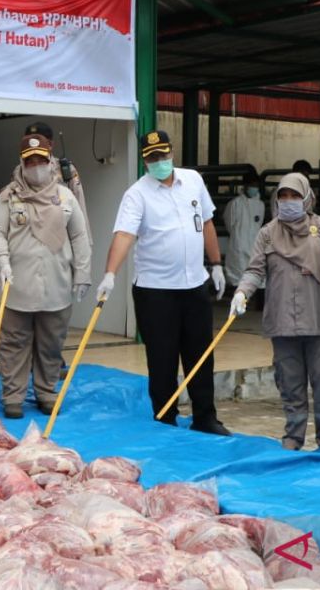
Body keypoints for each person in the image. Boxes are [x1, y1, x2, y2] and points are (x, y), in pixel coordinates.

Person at [96, 130, 230, 435]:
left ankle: (205, 417)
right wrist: (110, 273)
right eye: (153, 157)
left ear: (172, 153)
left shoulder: (193, 180)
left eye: (163, 155)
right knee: (162, 358)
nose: (160, 162)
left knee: (200, 354)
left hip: (194, 285)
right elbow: (124, 235)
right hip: (156, 291)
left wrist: (217, 264)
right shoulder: (137, 194)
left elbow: (206, 222)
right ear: (145, 160)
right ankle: (165, 417)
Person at [231, 172, 320, 449]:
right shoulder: (268, 233)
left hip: (319, 321)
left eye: (294, 196)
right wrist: (241, 292)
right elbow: (254, 270)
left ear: (307, 197)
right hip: (282, 322)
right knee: (290, 383)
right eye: (283, 196)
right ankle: (294, 436)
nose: (288, 201)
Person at [0, 134, 91, 418]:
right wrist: (2, 262)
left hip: (56, 287)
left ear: (50, 161)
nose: (35, 166)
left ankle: (46, 393)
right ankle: (13, 397)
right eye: (29, 161)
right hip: (16, 287)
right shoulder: (8, 196)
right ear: (21, 162)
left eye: (40, 160)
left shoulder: (65, 196)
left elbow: (80, 236)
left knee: (51, 345)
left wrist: (82, 273)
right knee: (13, 345)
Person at [24, 121, 91, 242]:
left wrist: (85, 241)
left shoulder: (65, 169)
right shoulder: (21, 172)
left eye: (40, 141)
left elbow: (79, 204)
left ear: (50, 144)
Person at [222, 172, 265, 287]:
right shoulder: (235, 204)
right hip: (239, 247)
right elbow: (229, 223)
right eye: (252, 185)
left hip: (254, 246)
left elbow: (259, 224)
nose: (254, 188)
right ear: (245, 186)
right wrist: (239, 238)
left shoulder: (260, 205)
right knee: (239, 280)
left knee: (257, 280)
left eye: (256, 186)